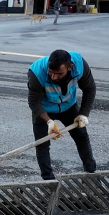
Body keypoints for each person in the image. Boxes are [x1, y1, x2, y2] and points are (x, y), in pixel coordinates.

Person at [27, 50, 97, 179]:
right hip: (44, 109)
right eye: (51, 73)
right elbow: (33, 102)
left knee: (81, 136)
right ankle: (48, 181)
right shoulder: (37, 73)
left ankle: (91, 174)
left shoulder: (80, 65)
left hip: (68, 105)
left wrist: (83, 114)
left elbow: (90, 88)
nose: (54, 77)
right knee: (42, 144)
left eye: (59, 74)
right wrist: (48, 121)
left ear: (70, 67)